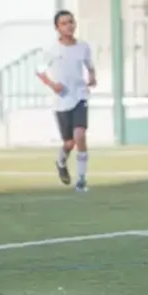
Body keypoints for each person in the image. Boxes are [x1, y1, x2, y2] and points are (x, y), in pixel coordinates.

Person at [36, 10, 96, 192]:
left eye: (71, 22)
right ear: (57, 28)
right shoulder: (51, 49)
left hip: (80, 96)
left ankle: (82, 180)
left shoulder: (83, 47)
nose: (69, 26)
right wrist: (52, 85)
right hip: (62, 100)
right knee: (69, 143)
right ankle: (61, 161)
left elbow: (89, 66)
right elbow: (40, 70)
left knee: (80, 136)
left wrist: (92, 77)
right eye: (64, 23)